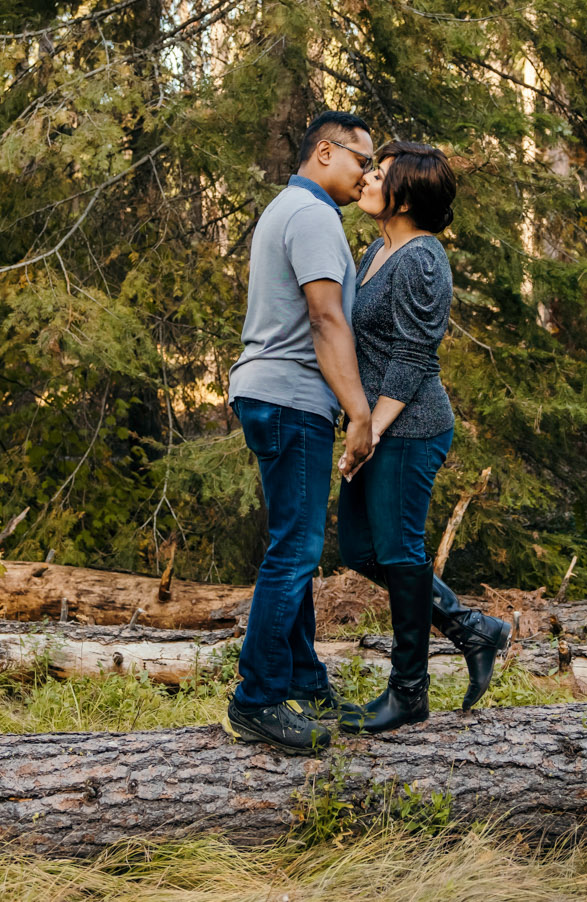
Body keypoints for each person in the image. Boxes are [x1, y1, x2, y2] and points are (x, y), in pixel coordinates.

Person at [336, 141, 510, 734]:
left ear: (405, 194)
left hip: (409, 426)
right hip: (377, 426)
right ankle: (471, 629)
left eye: (377, 173)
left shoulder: (423, 258)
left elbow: (412, 358)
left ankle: (409, 691)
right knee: (360, 550)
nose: (365, 178)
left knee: (401, 552)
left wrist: (370, 431)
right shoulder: (374, 252)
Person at [222, 110, 379, 753]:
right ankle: (257, 699)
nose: (366, 174)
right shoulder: (313, 216)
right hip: (291, 397)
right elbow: (324, 320)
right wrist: (359, 411)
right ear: (324, 151)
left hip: (265, 392)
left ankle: (307, 684)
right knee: (294, 551)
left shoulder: (286, 207)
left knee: (294, 543)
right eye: (360, 161)